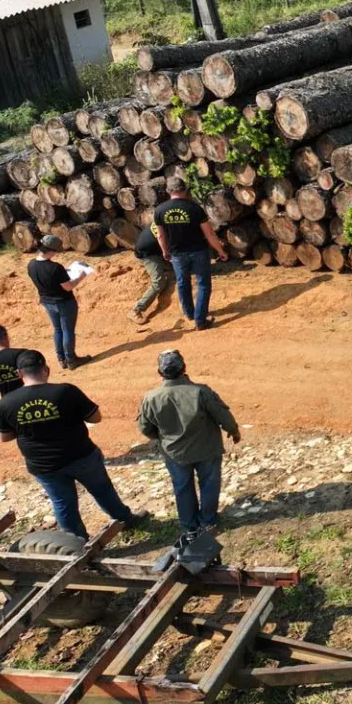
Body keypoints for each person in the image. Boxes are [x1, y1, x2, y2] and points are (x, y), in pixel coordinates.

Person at [0, 350, 145, 539]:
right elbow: (96, 417)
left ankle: (76, 543)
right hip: (80, 455)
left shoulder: (7, 402)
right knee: (102, 490)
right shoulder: (65, 391)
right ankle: (126, 521)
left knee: (62, 503)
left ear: (19, 374)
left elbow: (5, 437)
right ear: (46, 370)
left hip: (43, 465)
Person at [136, 350, 240, 534]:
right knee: (209, 483)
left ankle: (189, 526)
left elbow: (145, 428)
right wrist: (233, 430)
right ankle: (208, 522)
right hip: (206, 448)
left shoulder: (150, 398)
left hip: (174, 453)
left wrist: (162, 438)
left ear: (160, 373)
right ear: (184, 368)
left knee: (182, 487)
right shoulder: (201, 391)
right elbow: (222, 415)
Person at [153, 176, 229, 331]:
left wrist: (165, 251)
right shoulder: (195, 209)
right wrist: (220, 251)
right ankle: (200, 320)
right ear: (185, 190)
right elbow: (209, 234)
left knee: (182, 283)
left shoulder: (160, 210)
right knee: (203, 284)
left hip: (177, 254)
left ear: (169, 191)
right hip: (198, 251)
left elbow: (161, 235)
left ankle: (190, 313)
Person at [28, 234, 91, 369]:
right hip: (64, 302)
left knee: (57, 329)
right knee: (67, 330)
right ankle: (71, 359)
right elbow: (68, 287)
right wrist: (81, 276)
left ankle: (61, 359)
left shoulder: (31, 264)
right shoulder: (55, 267)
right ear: (51, 251)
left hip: (46, 301)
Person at [131, 222, 173, 323]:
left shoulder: (163, 215)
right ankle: (136, 310)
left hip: (156, 251)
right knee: (159, 282)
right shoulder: (168, 220)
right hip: (148, 254)